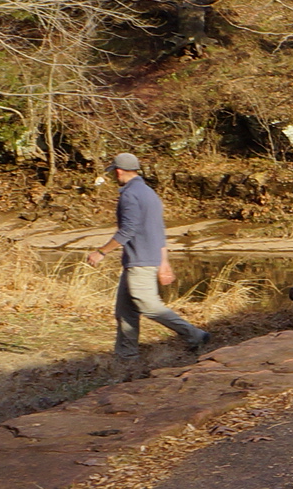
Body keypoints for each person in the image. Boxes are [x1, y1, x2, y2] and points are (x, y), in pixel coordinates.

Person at [87, 152, 210, 367]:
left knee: (149, 305)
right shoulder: (149, 193)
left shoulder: (130, 195)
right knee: (125, 311)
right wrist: (164, 262)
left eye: (114, 173)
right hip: (143, 259)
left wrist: (101, 252)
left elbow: (127, 230)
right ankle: (127, 358)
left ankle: (194, 334)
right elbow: (158, 231)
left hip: (140, 261)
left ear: (118, 171)